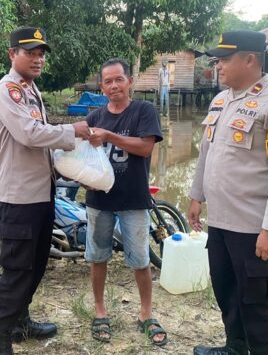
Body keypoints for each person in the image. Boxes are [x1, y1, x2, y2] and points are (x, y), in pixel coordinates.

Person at [188, 30, 268, 355]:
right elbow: (206, 152)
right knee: (227, 292)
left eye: (224, 59)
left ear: (250, 59)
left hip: (254, 227)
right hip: (221, 222)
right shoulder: (220, 100)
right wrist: (196, 195)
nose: (218, 66)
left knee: (259, 304)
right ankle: (235, 347)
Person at [0, 26, 90, 355]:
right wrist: (71, 130)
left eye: (41, 54)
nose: (37, 59)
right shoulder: (8, 90)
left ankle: (22, 321)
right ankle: (1, 340)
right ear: (12, 54)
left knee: (36, 264)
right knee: (17, 269)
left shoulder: (31, 91)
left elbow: (43, 142)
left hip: (41, 193)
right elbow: (31, 134)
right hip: (19, 197)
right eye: (29, 52)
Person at [85, 58, 166, 346]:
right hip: (98, 199)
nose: (114, 85)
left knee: (140, 260)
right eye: (108, 81)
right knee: (98, 257)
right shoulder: (94, 117)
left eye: (119, 79)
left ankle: (146, 313)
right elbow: (85, 154)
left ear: (129, 81)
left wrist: (109, 136)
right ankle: (99, 310)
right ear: (102, 86)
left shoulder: (143, 111)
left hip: (134, 199)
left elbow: (145, 148)